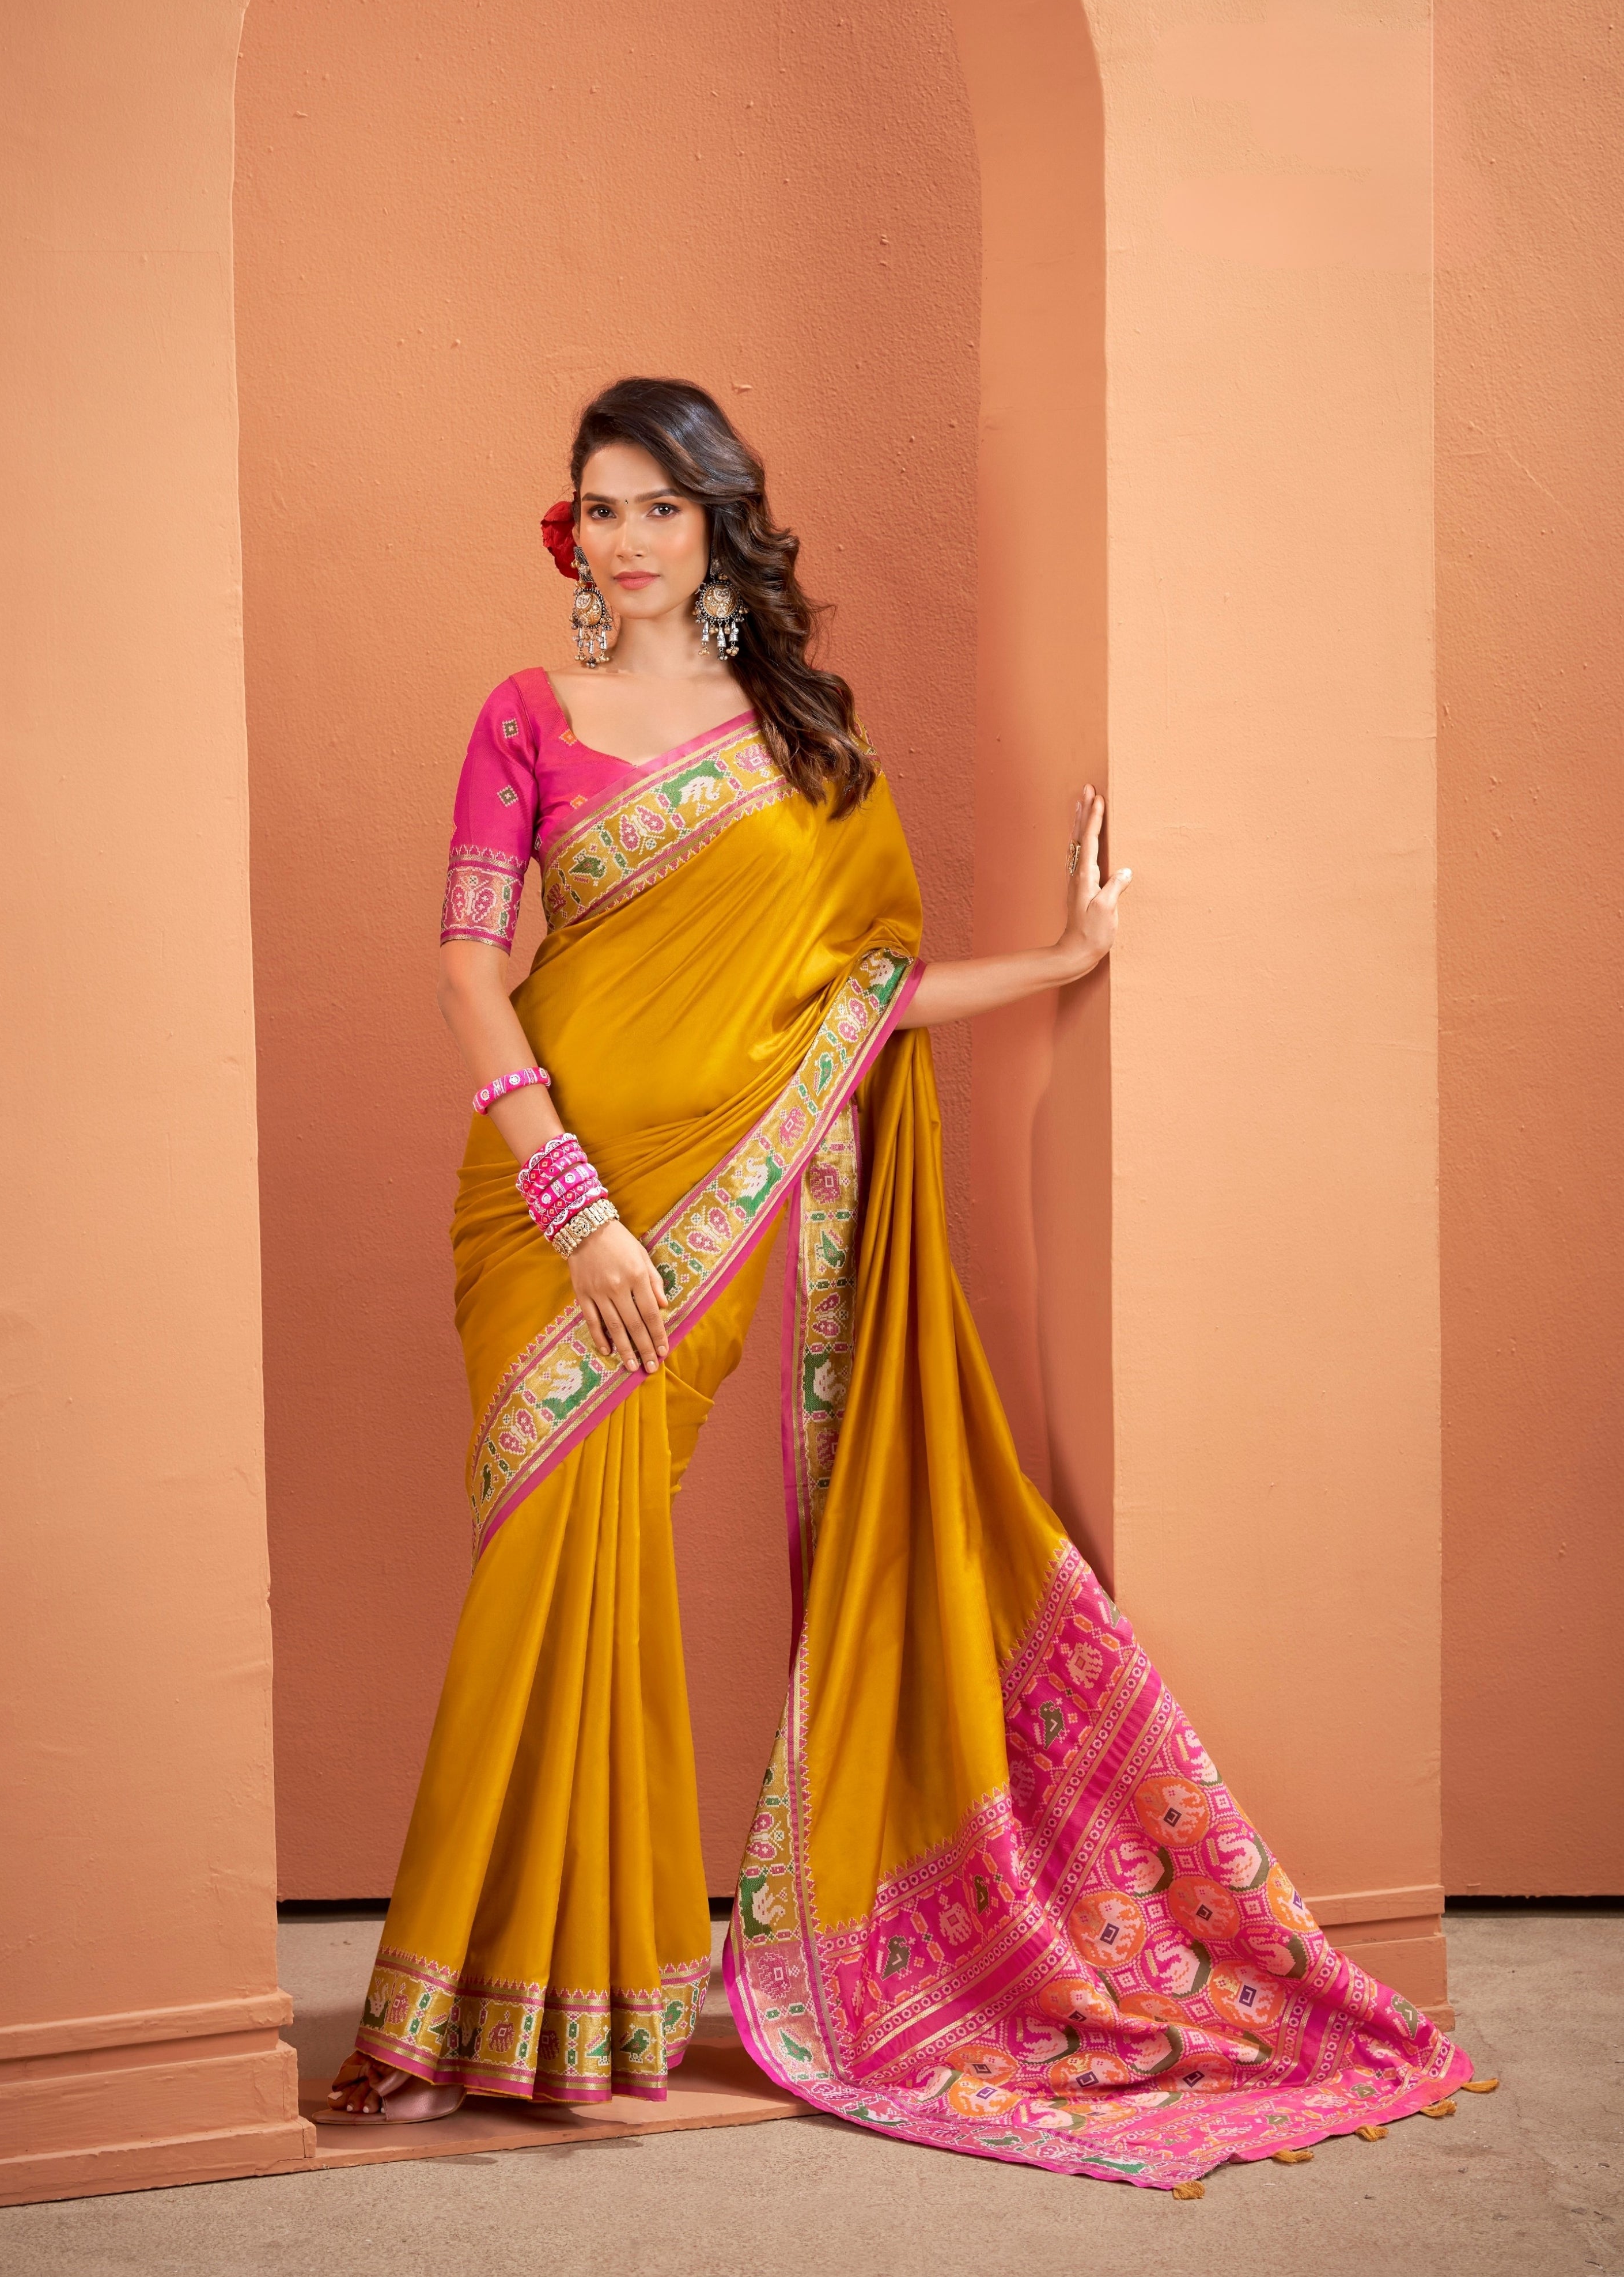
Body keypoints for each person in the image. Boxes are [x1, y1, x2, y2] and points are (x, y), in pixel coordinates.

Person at [328, 378, 1467, 2187]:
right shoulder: (522, 714)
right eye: (595, 509)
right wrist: (574, 1203)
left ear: (719, 527)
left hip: (707, 1216)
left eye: (657, 510)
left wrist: (1066, 957)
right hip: (550, 1215)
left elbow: (862, 1008)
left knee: (603, 1573)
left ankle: (574, 2002)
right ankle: (469, 1998)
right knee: (539, 1559)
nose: (623, 541)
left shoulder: (804, 743)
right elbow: (470, 968)